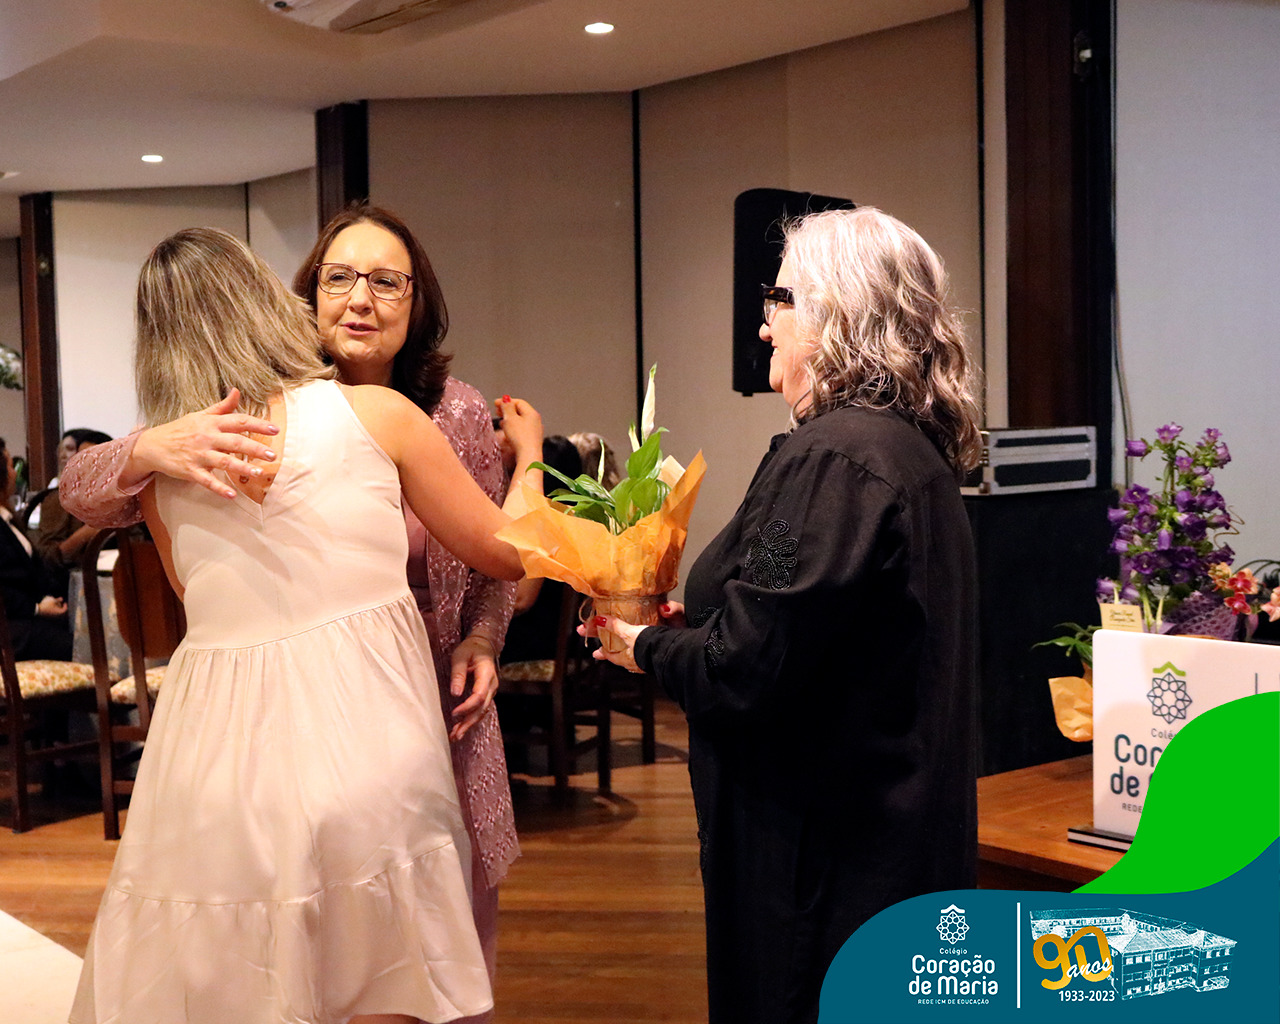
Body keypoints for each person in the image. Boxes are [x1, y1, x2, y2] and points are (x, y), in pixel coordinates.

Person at [61, 205, 536, 1010]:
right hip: (369, 725)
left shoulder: (168, 473)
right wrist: (532, 458)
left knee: (236, 968)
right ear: (279, 299)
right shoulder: (371, 416)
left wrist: (147, 452)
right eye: (339, 278)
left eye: (385, 281)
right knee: (387, 964)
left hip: (213, 751)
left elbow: (187, 592)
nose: (360, 297)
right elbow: (514, 551)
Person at [587, 208, 983, 1024]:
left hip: (821, 876)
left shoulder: (831, 462)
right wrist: (692, 631)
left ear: (839, 316)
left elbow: (744, 663)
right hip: (888, 852)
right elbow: (797, 618)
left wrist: (645, 647)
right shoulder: (904, 452)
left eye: (781, 300)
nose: (765, 327)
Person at [0, 438, 71, 660]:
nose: (14, 473)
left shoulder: (5, 517)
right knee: (78, 645)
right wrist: (37, 607)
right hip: (10, 629)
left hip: (20, 617)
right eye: (10, 466)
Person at [32, 428, 113, 597]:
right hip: (70, 586)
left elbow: (138, 543)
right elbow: (45, 559)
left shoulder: (120, 498)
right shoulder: (60, 500)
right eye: (80, 458)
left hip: (119, 577)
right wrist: (86, 534)